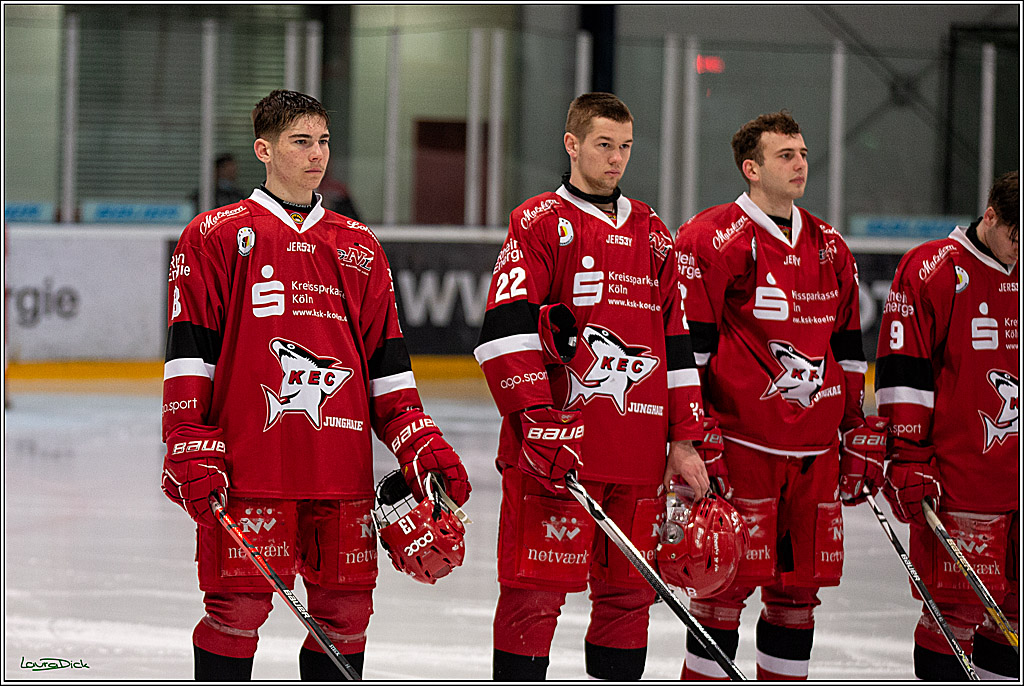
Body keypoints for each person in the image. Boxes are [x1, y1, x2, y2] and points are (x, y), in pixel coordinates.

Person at [161, 89, 471, 680]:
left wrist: (421, 441)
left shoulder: (359, 247)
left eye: (323, 141)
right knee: (236, 610)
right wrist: (187, 442)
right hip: (252, 466)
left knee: (347, 613)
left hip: (340, 470)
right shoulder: (216, 236)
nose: (316, 155)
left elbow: (389, 370)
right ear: (264, 149)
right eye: (301, 141)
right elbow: (189, 358)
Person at [474, 92, 708, 680]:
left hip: (636, 453)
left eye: (625, 147)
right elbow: (505, 326)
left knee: (629, 602)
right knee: (533, 598)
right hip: (557, 452)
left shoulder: (654, 231)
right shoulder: (538, 221)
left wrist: (684, 439)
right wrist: (533, 419)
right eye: (604, 145)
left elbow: (674, 342)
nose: (616, 159)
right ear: (572, 144)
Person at [673, 110, 885, 680]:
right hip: (742, 447)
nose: (800, 165)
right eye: (785, 155)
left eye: (804, 154)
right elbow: (686, 350)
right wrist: (691, 434)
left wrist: (854, 425)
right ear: (751, 168)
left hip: (815, 455)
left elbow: (846, 347)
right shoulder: (712, 238)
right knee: (722, 588)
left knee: (797, 599)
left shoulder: (831, 246)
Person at [876, 170, 1018, 680]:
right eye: (1015, 238)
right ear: (992, 215)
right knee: (955, 612)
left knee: (1016, 615)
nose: (1018, 253)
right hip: (962, 479)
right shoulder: (933, 268)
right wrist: (907, 457)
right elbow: (903, 369)